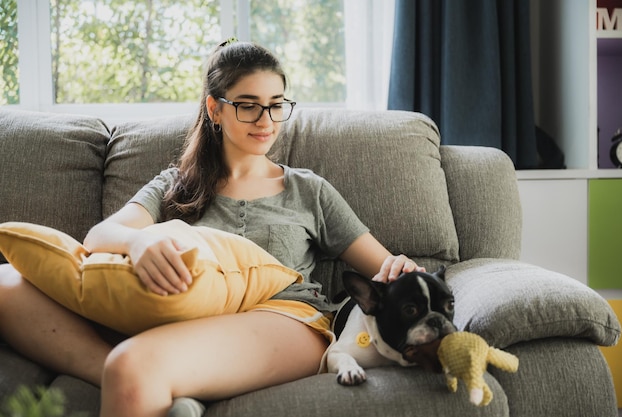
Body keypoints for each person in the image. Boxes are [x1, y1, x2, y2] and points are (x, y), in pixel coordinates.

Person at [0, 40, 422, 417]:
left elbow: (383, 268)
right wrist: (140, 240)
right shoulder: (174, 184)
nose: (266, 120)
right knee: (6, 280)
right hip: (178, 322)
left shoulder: (308, 190)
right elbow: (99, 238)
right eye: (248, 104)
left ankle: (137, 375)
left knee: (133, 364)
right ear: (214, 108)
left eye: (276, 104)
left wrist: (400, 270)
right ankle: (132, 380)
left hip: (284, 322)